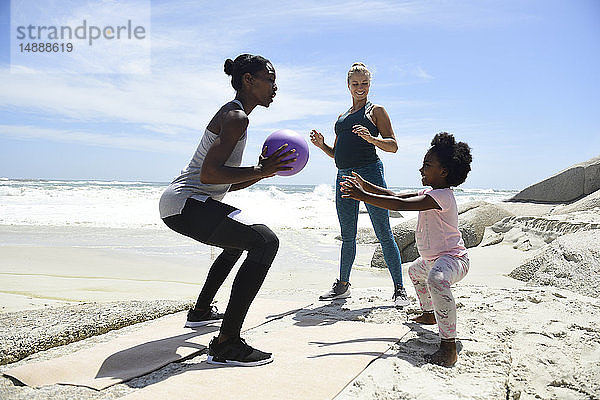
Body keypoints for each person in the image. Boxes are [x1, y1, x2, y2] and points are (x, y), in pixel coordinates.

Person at [159, 54, 295, 367]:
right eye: (269, 79)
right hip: (185, 202)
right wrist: (259, 169)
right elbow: (209, 175)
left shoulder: (235, 116)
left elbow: (222, 184)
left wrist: (261, 172)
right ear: (249, 80)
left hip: (186, 202)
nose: (275, 87)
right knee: (265, 242)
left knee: (239, 243)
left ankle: (202, 311)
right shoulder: (237, 117)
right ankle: (227, 342)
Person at [339, 132, 472, 367]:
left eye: (427, 165)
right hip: (432, 260)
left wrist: (362, 196)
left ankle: (449, 346)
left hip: (454, 259)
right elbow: (394, 195)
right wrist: (365, 185)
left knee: (437, 281)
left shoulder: (442, 196)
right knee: (414, 271)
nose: (421, 169)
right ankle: (430, 314)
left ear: (444, 172)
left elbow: (401, 205)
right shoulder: (430, 193)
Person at [310, 62, 409, 307]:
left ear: (370, 84)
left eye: (364, 83)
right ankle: (343, 286)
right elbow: (338, 154)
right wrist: (322, 145)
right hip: (343, 175)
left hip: (369, 174)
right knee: (348, 235)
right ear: (348, 85)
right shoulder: (342, 117)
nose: (360, 87)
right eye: (355, 83)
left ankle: (399, 289)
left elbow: (393, 146)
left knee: (383, 232)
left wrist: (371, 138)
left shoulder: (376, 111)